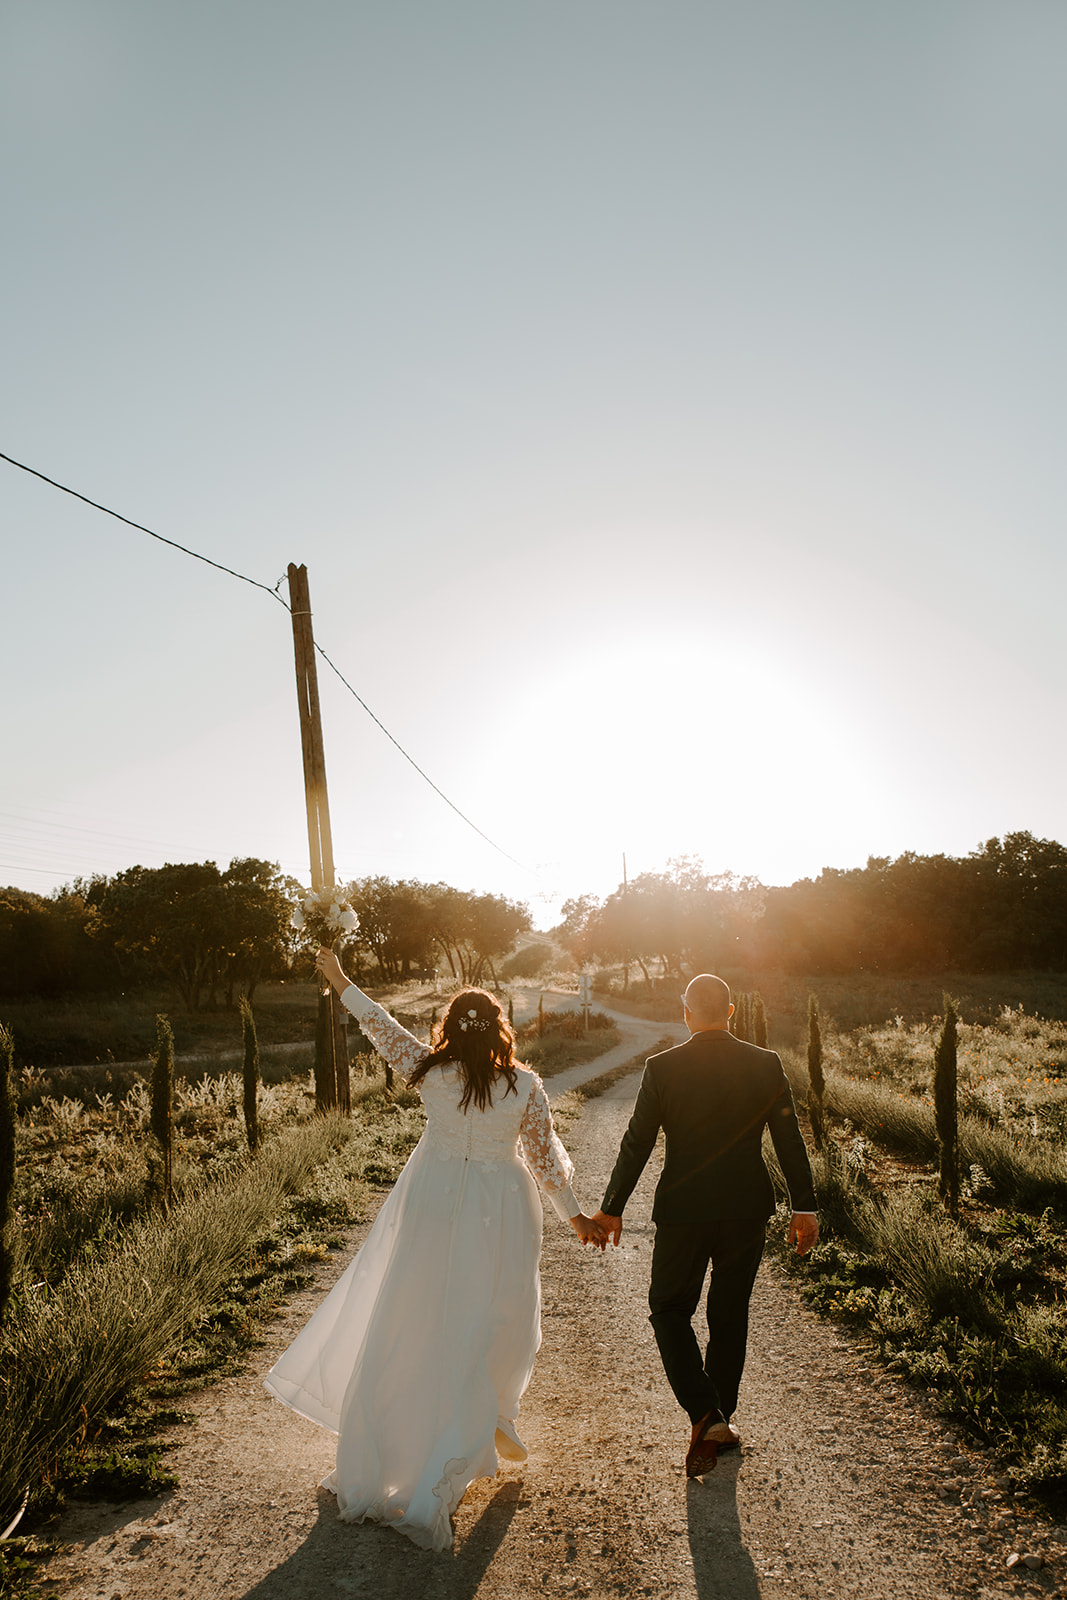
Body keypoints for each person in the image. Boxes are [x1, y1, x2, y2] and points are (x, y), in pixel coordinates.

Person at [264, 949, 605, 1551]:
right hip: (500, 1207)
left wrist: (341, 980)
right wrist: (576, 1217)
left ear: (448, 1028)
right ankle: (491, 1418)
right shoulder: (524, 1085)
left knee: (416, 1314)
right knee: (496, 1317)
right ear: (501, 1030)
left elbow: (380, 1027)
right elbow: (547, 1166)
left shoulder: (429, 1072)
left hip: (434, 1200)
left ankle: (436, 1432)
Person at [592, 973, 818, 1478]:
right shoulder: (765, 1064)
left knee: (668, 1308)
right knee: (729, 1310)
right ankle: (719, 1417)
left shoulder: (663, 1068)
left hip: (683, 1209)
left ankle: (706, 1413)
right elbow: (789, 1138)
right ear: (732, 1012)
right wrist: (805, 1206)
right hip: (745, 1209)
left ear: (686, 1012)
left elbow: (638, 1141)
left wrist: (612, 1206)